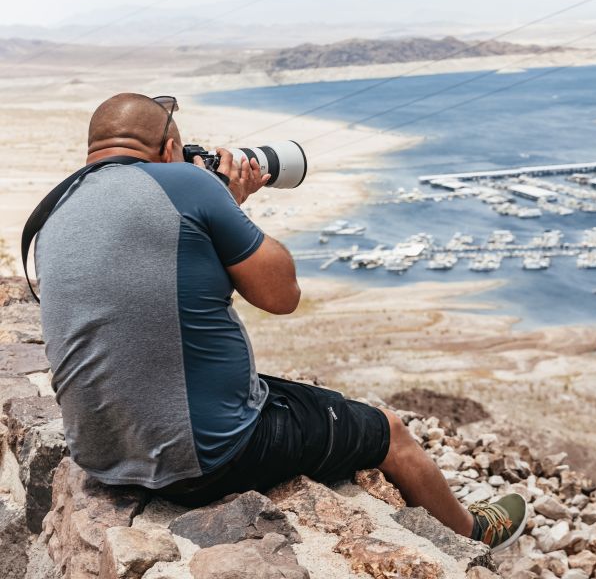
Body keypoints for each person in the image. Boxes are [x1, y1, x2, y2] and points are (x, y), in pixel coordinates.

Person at [34, 92, 527, 552]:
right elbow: (281, 295)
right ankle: (472, 532)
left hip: (100, 458)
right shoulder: (187, 184)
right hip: (211, 458)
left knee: (304, 399)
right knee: (389, 430)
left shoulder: (57, 208)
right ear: (168, 149)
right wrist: (221, 198)